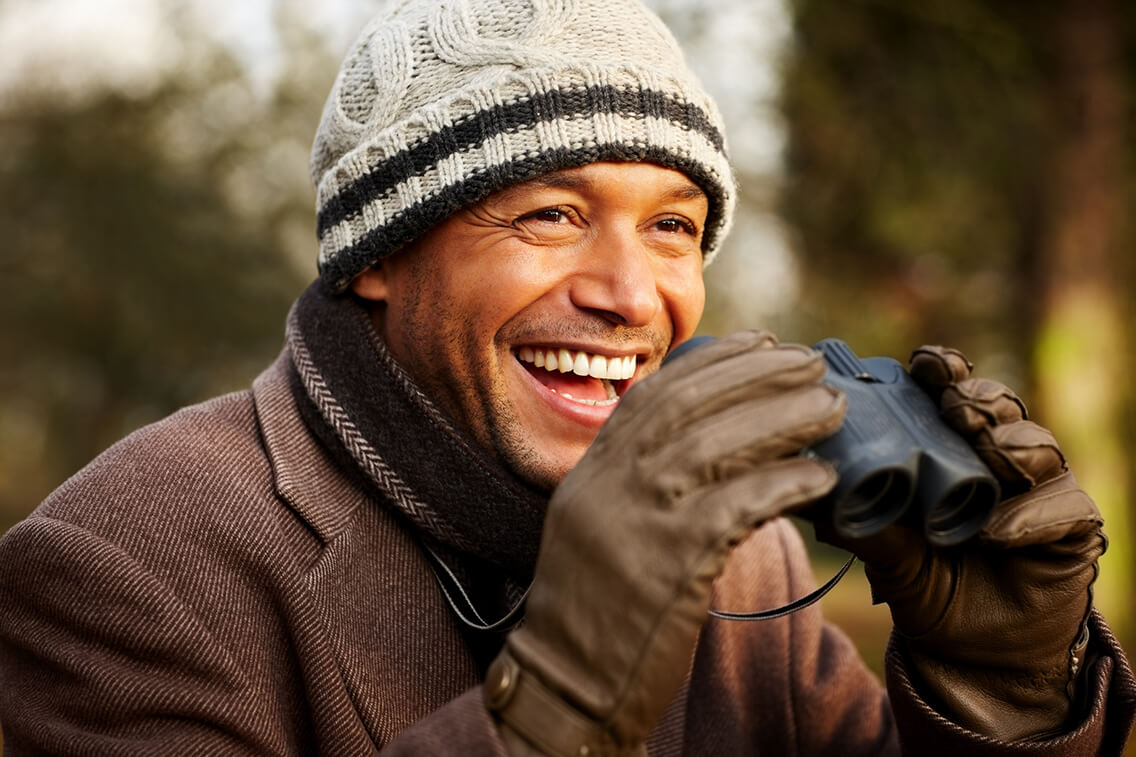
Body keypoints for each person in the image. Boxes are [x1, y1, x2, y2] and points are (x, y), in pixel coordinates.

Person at [0, 0, 1133, 753]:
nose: (631, 295)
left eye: (672, 227)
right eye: (551, 214)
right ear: (381, 253)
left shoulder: (746, 553)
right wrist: (558, 704)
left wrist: (1001, 696)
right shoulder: (125, 567)